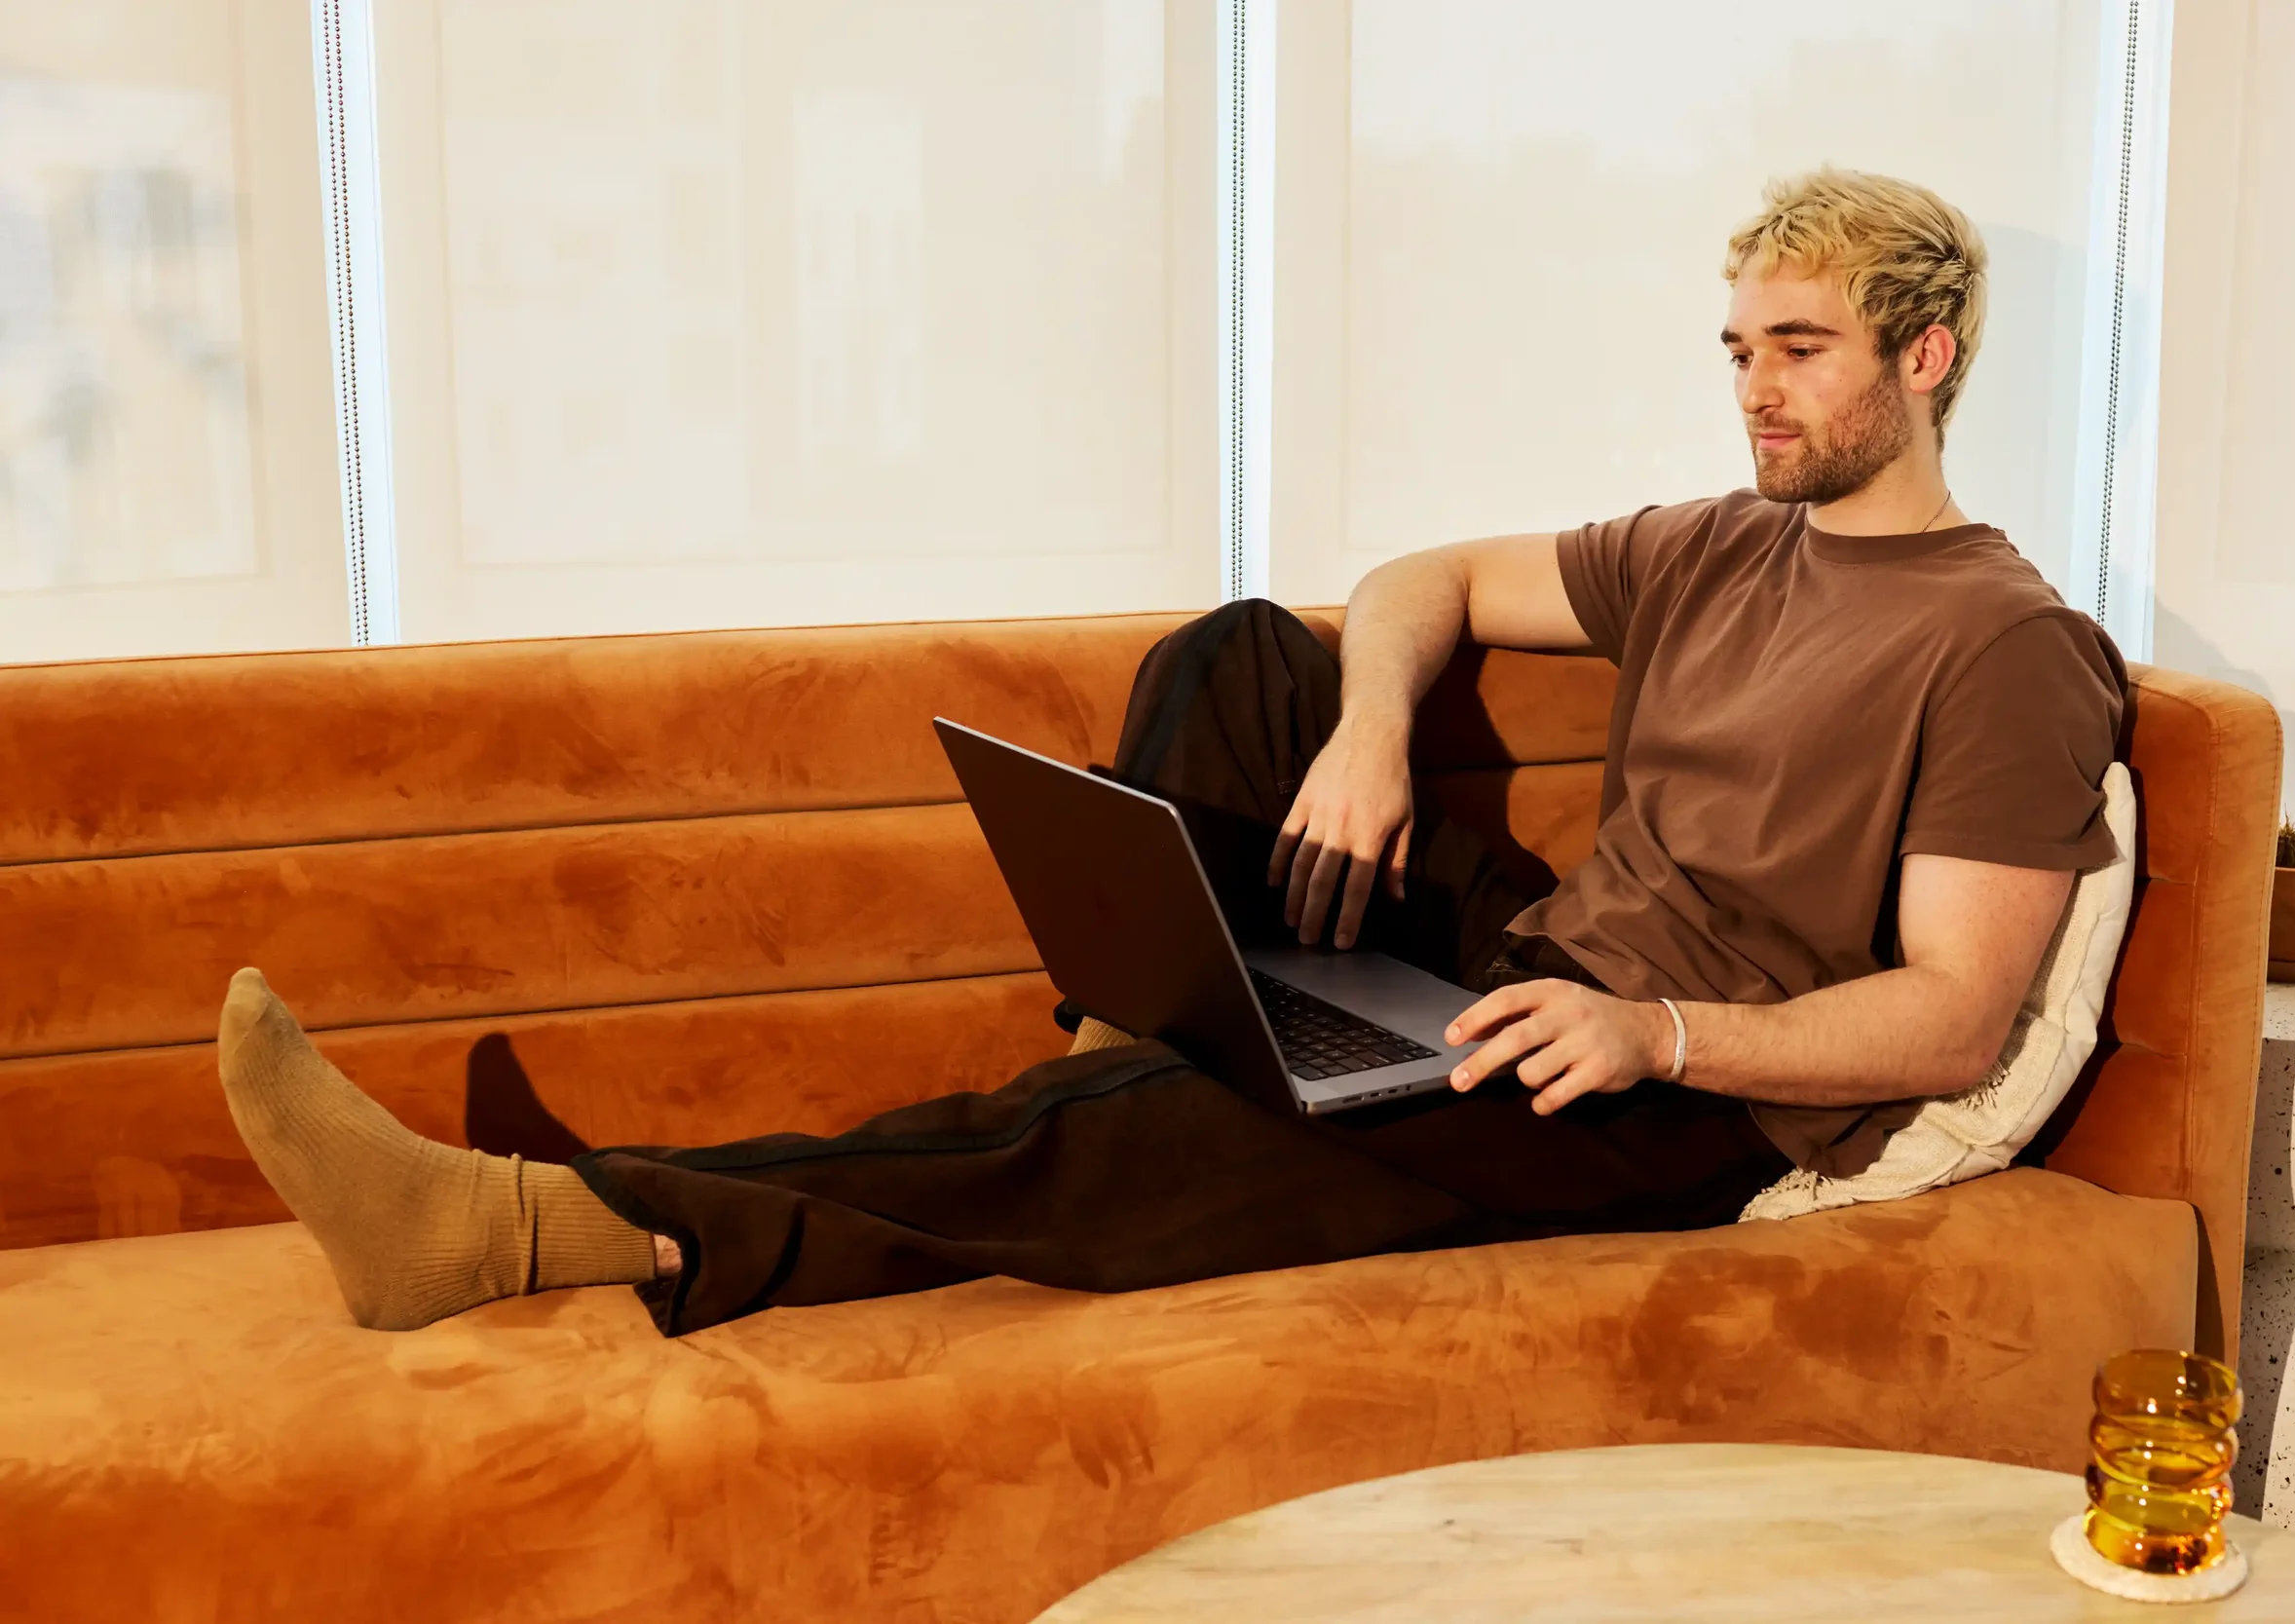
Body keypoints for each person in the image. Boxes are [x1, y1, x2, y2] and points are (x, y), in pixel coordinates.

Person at [217, 167, 2123, 1337]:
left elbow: (1954, 1015)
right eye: (1733, 347)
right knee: (1240, 654)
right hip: (1535, 961)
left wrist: (1660, 1037)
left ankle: (516, 1223)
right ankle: (1152, 1035)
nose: (1752, 387)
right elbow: (1418, 575)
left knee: (1144, 1140)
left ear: (1926, 355)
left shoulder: (2003, 643)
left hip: (1647, 1090)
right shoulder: (1718, 537)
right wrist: (1372, 726)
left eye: (1795, 349)